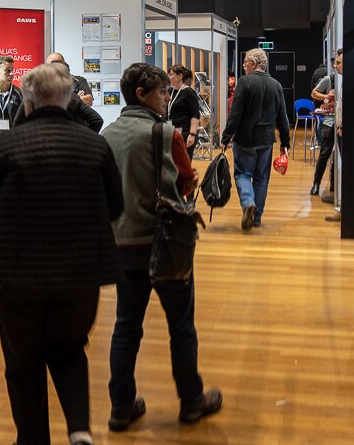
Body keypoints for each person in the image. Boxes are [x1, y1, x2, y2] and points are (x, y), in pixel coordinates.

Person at [0, 63, 123, 445]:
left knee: (23, 365)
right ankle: (79, 430)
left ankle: (33, 439)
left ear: (28, 102)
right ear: (69, 100)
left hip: (17, 279)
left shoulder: (5, 146)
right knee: (71, 351)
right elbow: (115, 208)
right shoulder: (95, 145)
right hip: (80, 275)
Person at [101, 63, 221, 432]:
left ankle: (121, 407)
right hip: (165, 243)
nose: (167, 98)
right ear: (142, 94)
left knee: (125, 327)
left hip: (122, 244)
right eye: (161, 92)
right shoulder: (164, 132)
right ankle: (191, 402)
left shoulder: (107, 134)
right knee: (181, 326)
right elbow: (185, 182)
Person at [221, 48, 291, 232]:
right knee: (261, 179)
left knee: (243, 173)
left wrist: (226, 136)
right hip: (267, 140)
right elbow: (282, 116)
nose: (243, 67)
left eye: (245, 63)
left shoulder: (245, 82)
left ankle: (248, 203)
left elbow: (235, 113)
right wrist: (285, 142)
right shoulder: (276, 85)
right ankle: (257, 217)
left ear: (252, 64)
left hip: (245, 139)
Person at [310, 48, 342, 197]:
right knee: (325, 152)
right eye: (335, 63)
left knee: (339, 154)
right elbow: (314, 93)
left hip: (341, 122)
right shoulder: (329, 79)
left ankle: (335, 184)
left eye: (339, 63)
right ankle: (316, 183)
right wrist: (327, 97)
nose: (336, 66)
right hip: (329, 121)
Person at [167, 64, 202, 160]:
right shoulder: (169, 91)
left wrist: (192, 134)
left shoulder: (189, 92)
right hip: (171, 132)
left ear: (180, 76)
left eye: (171, 74)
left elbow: (195, 115)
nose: (169, 77)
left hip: (185, 133)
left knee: (183, 163)